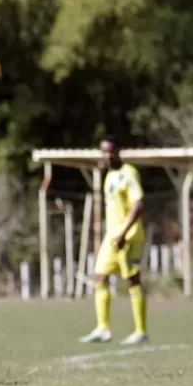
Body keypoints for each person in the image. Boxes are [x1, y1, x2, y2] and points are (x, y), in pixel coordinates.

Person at [80, 134, 148, 346]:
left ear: (118, 151)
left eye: (111, 151)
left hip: (127, 236)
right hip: (112, 237)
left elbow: (138, 204)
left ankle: (140, 331)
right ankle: (103, 328)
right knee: (99, 277)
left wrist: (122, 233)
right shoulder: (109, 176)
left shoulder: (129, 173)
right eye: (104, 151)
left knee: (132, 281)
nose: (107, 155)